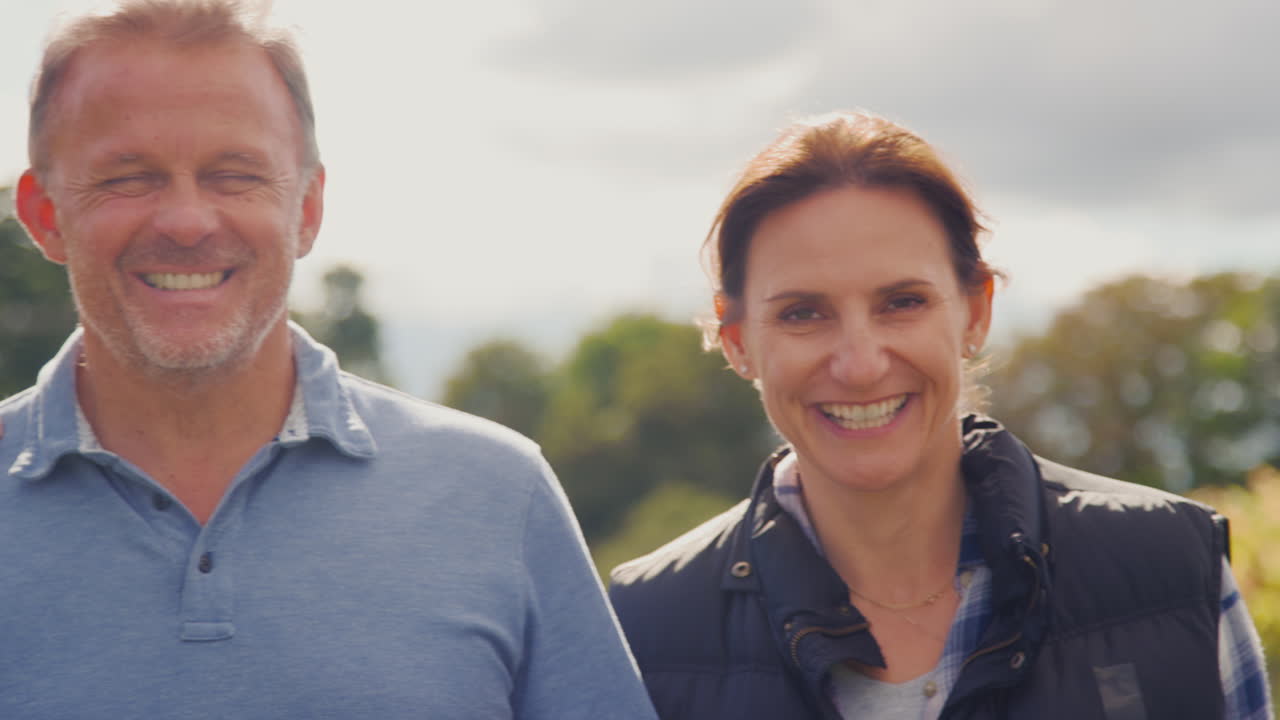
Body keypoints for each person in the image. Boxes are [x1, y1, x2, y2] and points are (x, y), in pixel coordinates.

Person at [0, 2, 656, 718]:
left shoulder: (499, 495)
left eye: (235, 174)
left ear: (307, 209)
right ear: (43, 213)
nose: (186, 221)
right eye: (129, 177)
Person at [608, 111, 1272, 719]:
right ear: (738, 340)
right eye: (803, 313)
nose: (861, 364)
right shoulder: (642, 631)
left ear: (975, 311)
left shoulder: (1169, 571)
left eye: (901, 302)